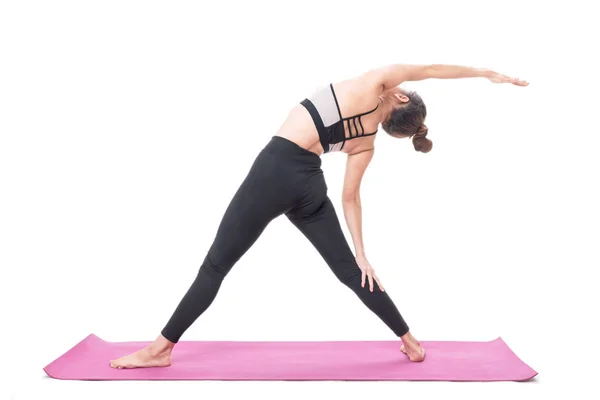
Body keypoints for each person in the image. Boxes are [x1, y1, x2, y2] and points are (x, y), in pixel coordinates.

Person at [109, 64, 528, 369]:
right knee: (350, 271)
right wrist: (361, 253)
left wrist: (487, 73)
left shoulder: (372, 85)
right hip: (309, 186)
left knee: (216, 265)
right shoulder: (366, 144)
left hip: (275, 169)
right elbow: (350, 198)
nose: (402, 82)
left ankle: (160, 349)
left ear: (400, 96)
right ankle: (410, 341)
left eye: (403, 86)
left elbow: (431, 69)